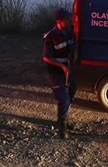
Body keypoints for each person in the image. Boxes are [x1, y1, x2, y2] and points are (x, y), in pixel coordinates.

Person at [42, 7, 77, 139]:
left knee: (71, 93)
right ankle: (62, 128)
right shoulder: (51, 36)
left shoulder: (69, 32)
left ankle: (63, 119)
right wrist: (62, 66)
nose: (70, 20)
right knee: (63, 97)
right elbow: (46, 57)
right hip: (56, 71)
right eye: (67, 19)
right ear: (60, 21)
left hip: (69, 68)